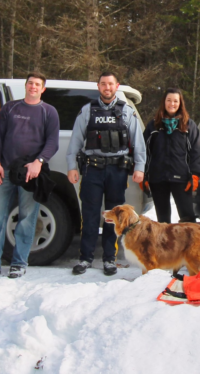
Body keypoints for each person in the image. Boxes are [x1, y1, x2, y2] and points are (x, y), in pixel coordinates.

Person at [0, 72, 60, 281]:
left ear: (43, 89)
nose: (33, 87)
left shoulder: (49, 112)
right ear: (25, 86)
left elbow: (52, 142)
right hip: (5, 170)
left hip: (31, 172)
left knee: (27, 218)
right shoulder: (11, 108)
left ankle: (19, 263)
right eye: (30, 83)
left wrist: (39, 162)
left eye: (37, 84)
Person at [66, 72, 146, 276]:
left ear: (116, 85)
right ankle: (85, 258)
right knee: (90, 216)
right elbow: (75, 140)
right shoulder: (87, 110)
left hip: (117, 171)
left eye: (110, 84)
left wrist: (140, 167)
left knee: (115, 217)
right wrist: (72, 167)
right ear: (98, 86)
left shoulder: (126, 111)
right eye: (103, 84)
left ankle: (110, 259)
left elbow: (138, 142)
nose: (107, 87)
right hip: (92, 170)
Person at [142, 87, 200, 223]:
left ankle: (189, 244)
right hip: (158, 179)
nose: (172, 104)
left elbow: (196, 152)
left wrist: (195, 175)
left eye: (175, 101)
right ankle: (166, 244)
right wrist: (143, 174)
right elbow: (143, 151)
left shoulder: (189, 126)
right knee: (163, 220)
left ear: (180, 103)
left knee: (187, 218)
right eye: (169, 100)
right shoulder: (153, 126)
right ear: (164, 102)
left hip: (182, 179)